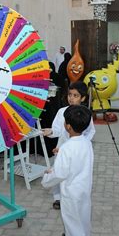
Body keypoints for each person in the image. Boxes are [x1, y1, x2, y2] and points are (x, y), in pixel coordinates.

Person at [41, 105, 94, 236]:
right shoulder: (87, 143)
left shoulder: (66, 148)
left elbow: (60, 174)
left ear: (68, 126)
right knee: (83, 220)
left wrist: (47, 177)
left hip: (70, 194)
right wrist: (62, 153)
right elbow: (78, 161)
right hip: (84, 190)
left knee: (72, 226)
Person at [42, 81, 95, 210]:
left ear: (83, 98)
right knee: (58, 169)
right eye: (70, 95)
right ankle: (57, 198)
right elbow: (57, 129)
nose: (71, 98)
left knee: (72, 174)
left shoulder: (85, 114)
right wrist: (50, 132)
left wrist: (81, 143)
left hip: (77, 150)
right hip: (61, 148)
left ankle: (71, 195)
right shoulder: (61, 112)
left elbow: (90, 132)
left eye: (75, 95)